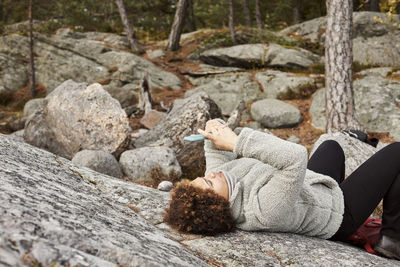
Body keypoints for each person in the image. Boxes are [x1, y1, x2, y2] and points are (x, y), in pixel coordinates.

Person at [164, 119, 400, 260]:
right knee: (396, 153)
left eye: (203, 177)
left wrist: (213, 129)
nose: (210, 174)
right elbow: (296, 157)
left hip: (309, 190)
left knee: (331, 147)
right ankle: (392, 238)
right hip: (338, 215)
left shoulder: (225, 183)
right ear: (218, 204)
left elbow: (216, 155)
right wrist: (237, 142)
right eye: (208, 182)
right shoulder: (261, 210)